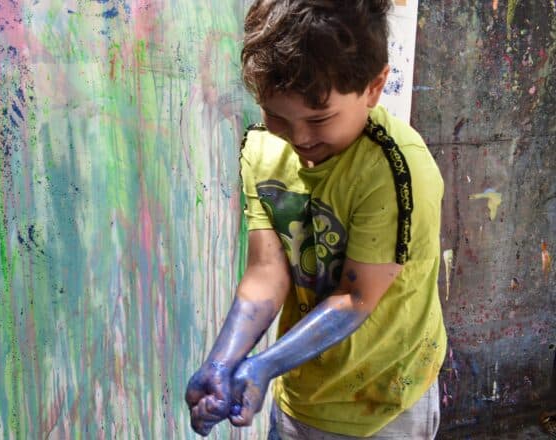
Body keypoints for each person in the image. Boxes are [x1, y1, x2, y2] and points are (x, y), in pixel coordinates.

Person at [184, 0, 447, 438]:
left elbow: (355, 298)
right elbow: (267, 271)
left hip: (384, 405)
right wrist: (223, 361)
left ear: (374, 87)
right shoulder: (262, 150)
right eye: (277, 116)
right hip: (303, 396)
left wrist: (264, 365)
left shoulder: (396, 170)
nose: (299, 138)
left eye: (319, 118)